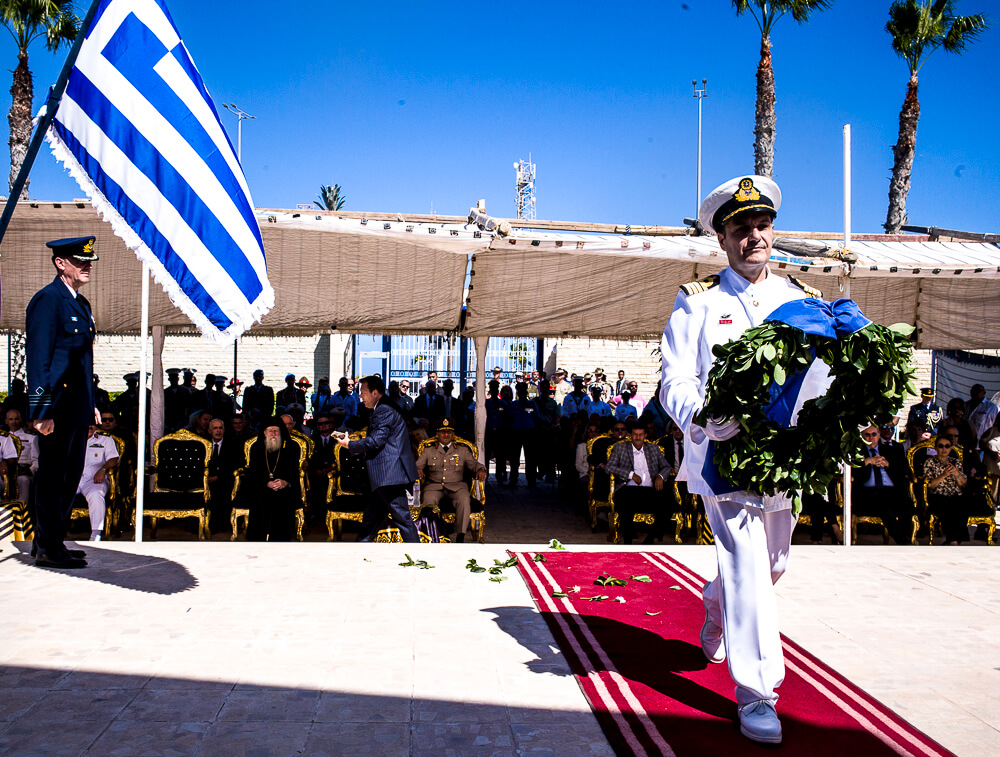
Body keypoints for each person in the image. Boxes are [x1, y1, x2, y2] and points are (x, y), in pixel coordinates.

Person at [659, 175, 820, 745]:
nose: (754, 236)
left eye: (761, 226)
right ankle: (757, 694)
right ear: (723, 240)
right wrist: (701, 414)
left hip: (785, 457)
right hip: (722, 457)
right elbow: (673, 377)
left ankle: (714, 603)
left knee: (771, 566)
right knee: (748, 563)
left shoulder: (801, 299)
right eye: (740, 229)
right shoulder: (699, 300)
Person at [26, 236, 100, 568]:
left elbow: (84, 361)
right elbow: (38, 360)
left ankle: (51, 539)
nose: (87, 266)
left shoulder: (80, 305)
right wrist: (40, 410)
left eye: (89, 261)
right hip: (55, 406)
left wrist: (91, 402)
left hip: (77, 405)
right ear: (60, 263)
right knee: (53, 475)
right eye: (80, 261)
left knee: (71, 475)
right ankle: (46, 547)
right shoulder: (48, 301)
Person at [335, 375, 420, 542]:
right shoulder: (384, 407)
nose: (360, 396)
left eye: (363, 392)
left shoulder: (384, 409)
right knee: (371, 519)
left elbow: (377, 440)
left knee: (403, 519)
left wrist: (350, 445)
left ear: (375, 393)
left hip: (389, 475)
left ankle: (417, 556)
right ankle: (361, 550)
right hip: (383, 475)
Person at [415, 418, 486, 542]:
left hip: (457, 486)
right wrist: (418, 470)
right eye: (443, 432)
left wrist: (481, 469)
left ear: (453, 434)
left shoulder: (462, 451)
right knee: (428, 500)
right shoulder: (428, 450)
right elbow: (417, 465)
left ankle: (461, 535)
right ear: (437, 434)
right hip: (434, 485)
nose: (446, 435)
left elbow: (474, 464)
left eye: (449, 432)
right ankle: (432, 533)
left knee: (464, 499)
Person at [604, 423, 670, 544]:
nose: (638, 438)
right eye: (635, 435)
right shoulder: (621, 448)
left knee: (669, 502)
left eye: (640, 435)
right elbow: (609, 467)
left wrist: (660, 476)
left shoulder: (653, 449)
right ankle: (628, 542)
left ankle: (650, 538)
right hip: (628, 488)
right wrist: (630, 475)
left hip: (650, 489)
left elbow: (666, 467)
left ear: (645, 435)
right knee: (625, 503)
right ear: (630, 435)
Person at [852, 424, 913, 545]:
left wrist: (888, 464)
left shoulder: (891, 450)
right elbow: (851, 470)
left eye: (874, 434)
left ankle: (907, 538)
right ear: (862, 436)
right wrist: (868, 461)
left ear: (879, 435)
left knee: (907, 505)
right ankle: (903, 542)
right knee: (884, 507)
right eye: (867, 435)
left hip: (891, 490)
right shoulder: (857, 452)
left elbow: (904, 472)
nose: (871, 438)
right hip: (868, 493)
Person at [244, 418, 303, 541]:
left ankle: (280, 542)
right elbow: (253, 472)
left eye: (276, 431)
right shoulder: (256, 448)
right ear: (265, 433)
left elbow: (294, 471)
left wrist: (285, 482)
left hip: (284, 489)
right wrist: (266, 482)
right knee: (259, 501)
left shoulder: (291, 447)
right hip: (262, 487)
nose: (274, 434)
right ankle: (257, 543)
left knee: (284, 501)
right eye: (270, 431)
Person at [75, 425, 120, 541]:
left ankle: (95, 533)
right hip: (74, 478)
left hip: (94, 479)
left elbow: (114, 459)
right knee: (57, 492)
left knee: (96, 493)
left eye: (92, 423)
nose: (89, 425)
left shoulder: (105, 439)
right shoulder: (72, 438)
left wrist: (103, 469)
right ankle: (54, 531)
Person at [923, 435, 970, 545]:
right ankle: (954, 540)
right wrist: (944, 475)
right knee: (948, 506)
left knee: (962, 504)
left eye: (947, 446)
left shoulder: (956, 462)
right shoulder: (929, 462)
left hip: (955, 494)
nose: (944, 449)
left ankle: (954, 540)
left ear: (951, 448)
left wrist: (956, 473)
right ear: (936, 448)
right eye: (941, 446)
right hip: (938, 495)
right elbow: (930, 485)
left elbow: (963, 483)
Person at [207, 418, 241, 534]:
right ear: (209, 431)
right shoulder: (204, 444)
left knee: (220, 488)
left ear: (224, 430)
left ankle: (220, 524)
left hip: (225, 479)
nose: (218, 431)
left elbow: (235, 465)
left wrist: (218, 477)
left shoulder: (232, 444)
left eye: (220, 428)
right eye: (215, 428)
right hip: (206, 480)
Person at [507, 382, 539, 489]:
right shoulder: (513, 404)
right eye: (519, 391)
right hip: (516, 432)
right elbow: (509, 418)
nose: (521, 393)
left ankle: (531, 481)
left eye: (523, 391)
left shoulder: (532, 404)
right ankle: (513, 480)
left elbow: (536, 417)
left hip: (529, 432)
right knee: (514, 459)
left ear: (526, 392)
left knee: (530, 459)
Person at [6, 409, 38, 506]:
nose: (14, 422)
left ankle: (22, 512)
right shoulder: (2, 438)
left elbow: (36, 460)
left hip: (24, 472)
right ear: (6, 421)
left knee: (23, 480)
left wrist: (30, 471)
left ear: (21, 420)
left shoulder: (31, 438)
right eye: (11, 419)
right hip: (5, 473)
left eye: (16, 419)